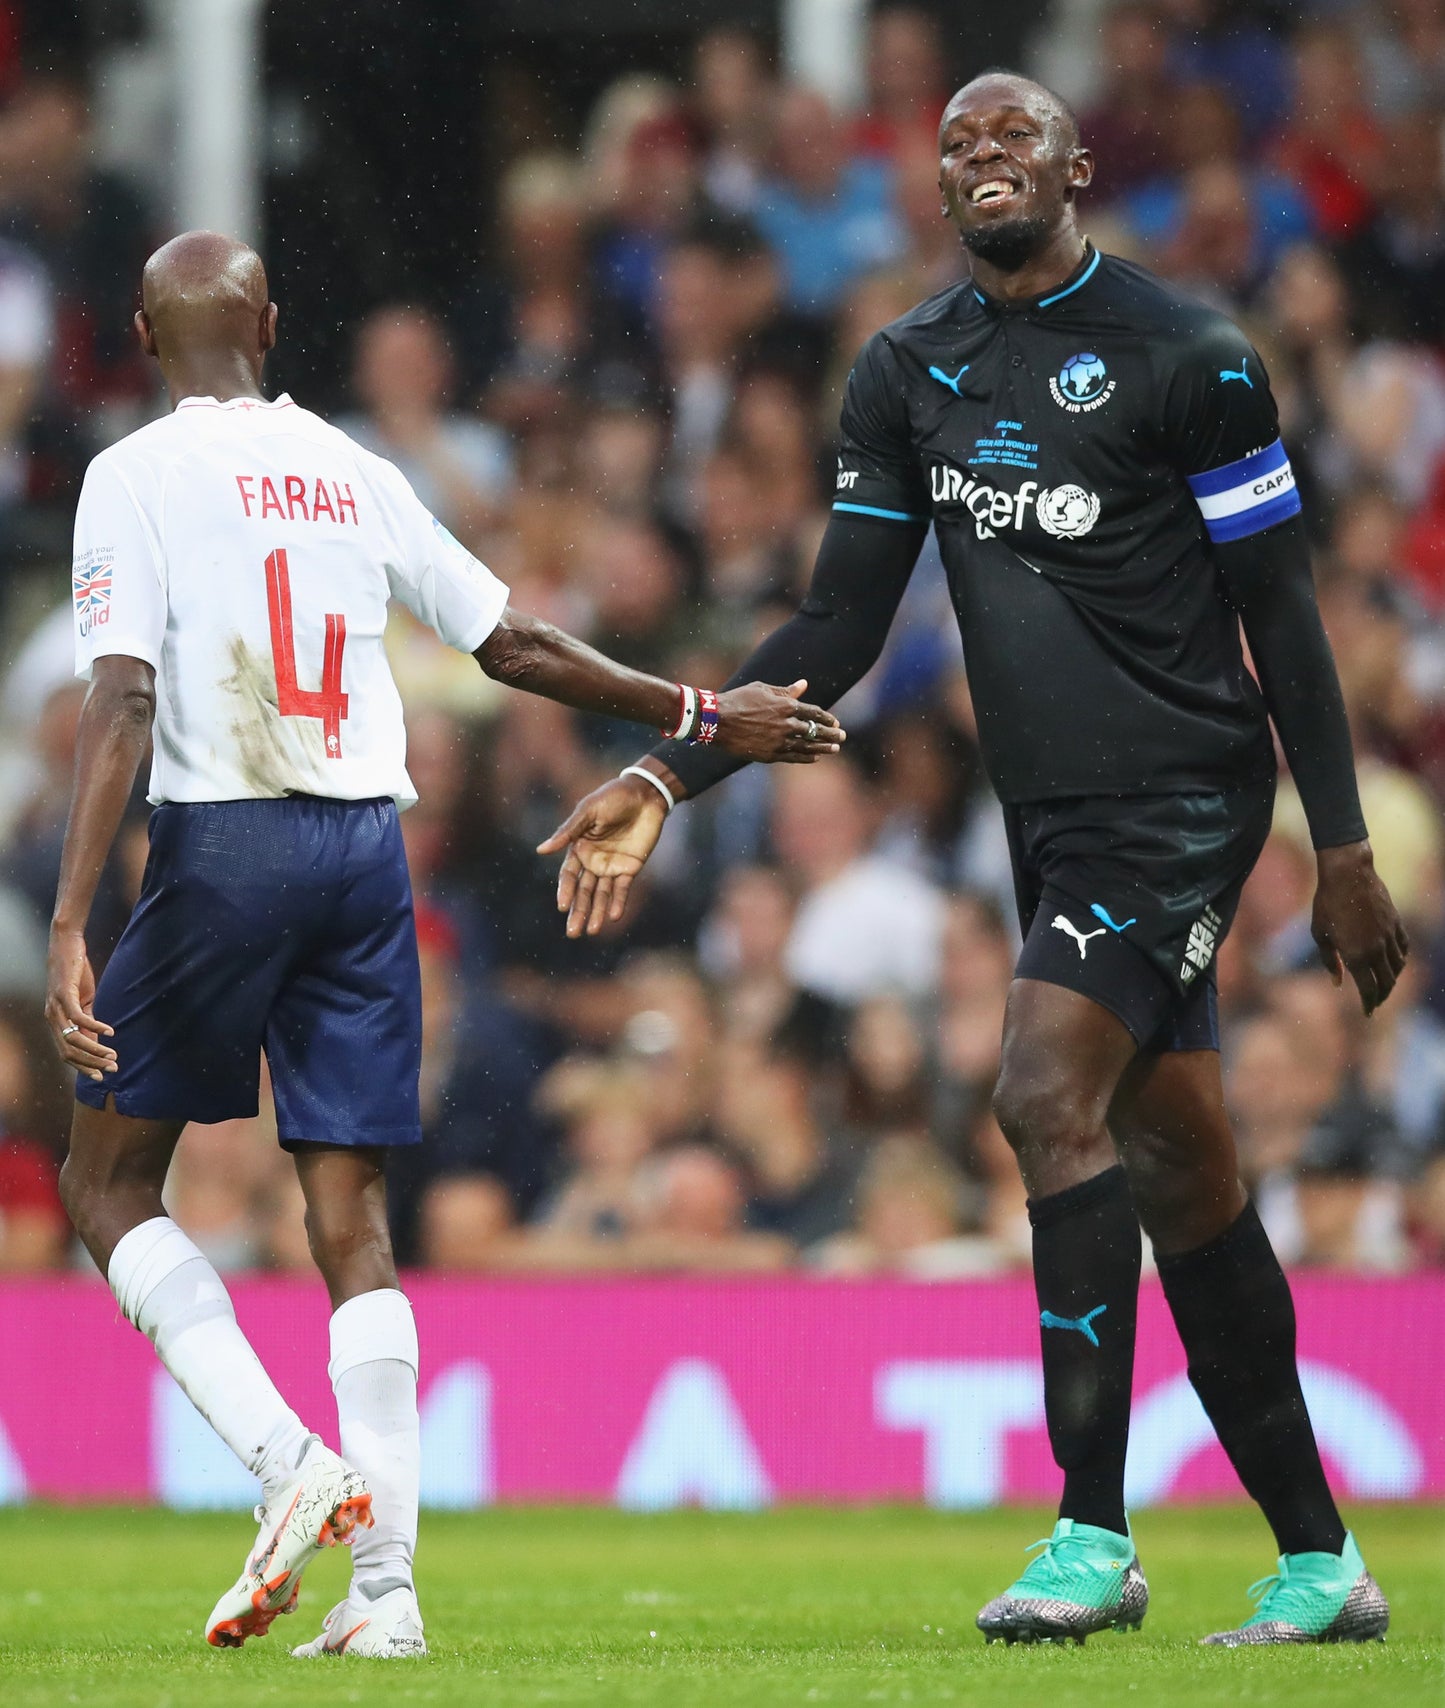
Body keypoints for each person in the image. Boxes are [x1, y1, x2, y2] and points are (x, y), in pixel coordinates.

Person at [540, 74, 1408, 1648]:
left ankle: (1088, 1532)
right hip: (1050, 818)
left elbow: (1278, 610)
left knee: (1036, 1090)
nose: (984, 158)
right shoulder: (905, 370)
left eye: (1015, 135)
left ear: (1078, 166)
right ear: (934, 191)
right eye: (956, 145)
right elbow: (837, 626)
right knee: (1181, 1172)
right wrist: (668, 773)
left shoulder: (1192, 356)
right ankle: (1320, 1561)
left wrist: (1337, 843)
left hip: (1185, 793)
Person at [44, 231, 841, 1659]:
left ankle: (291, 1467)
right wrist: (704, 716)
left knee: (105, 1185)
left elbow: (116, 693)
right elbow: (516, 645)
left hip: (228, 838)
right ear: (276, 325)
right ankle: (389, 1600)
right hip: (366, 854)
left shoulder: (134, 473)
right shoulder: (353, 471)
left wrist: (64, 916)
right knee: (349, 1213)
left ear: (150, 343)